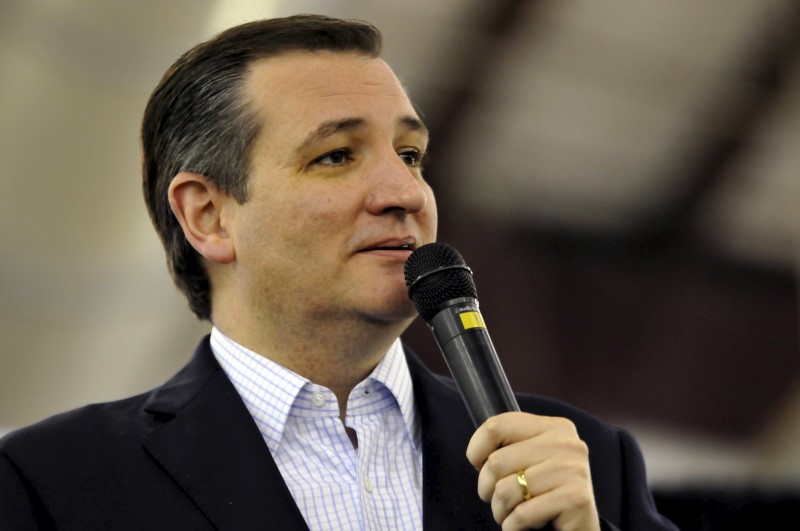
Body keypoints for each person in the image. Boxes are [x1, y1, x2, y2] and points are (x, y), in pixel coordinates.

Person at [0, 14, 677, 531]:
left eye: (410, 154)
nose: (406, 193)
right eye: (335, 156)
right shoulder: (50, 484)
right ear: (207, 215)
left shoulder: (590, 467)